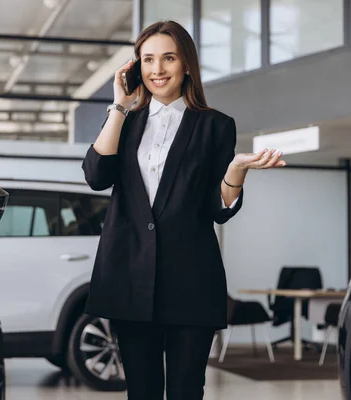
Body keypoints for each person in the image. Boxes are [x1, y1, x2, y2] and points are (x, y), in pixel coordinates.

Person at [81, 20, 286, 400]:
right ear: (135, 67)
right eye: (148, 60)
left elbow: (218, 208)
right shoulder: (124, 122)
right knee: (140, 391)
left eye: (168, 58)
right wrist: (118, 105)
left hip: (190, 280)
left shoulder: (215, 126)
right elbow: (95, 175)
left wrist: (236, 171)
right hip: (129, 276)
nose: (157, 69)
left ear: (187, 64)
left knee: (186, 389)